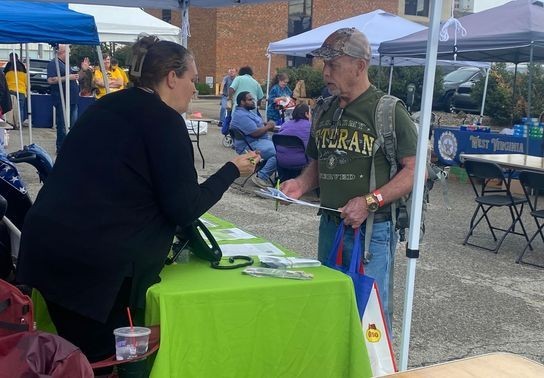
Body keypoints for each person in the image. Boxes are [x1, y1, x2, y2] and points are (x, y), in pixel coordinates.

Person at [15, 35, 260, 373]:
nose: (194, 89)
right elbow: (184, 207)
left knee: (75, 356)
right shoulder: (164, 121)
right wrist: (232, 169)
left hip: (47, 251)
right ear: (172, 77)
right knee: (105, 363)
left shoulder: (108, 104)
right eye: (192, 78)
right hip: (93, 271)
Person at [280, 28, 418, 332]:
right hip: (330, 225)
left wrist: (370, 201)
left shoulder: (388, 110)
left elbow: (414, 170)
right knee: (331, 309)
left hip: (372, 231)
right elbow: (317, 162)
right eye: (324, 66)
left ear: (360, 65)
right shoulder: (324, 109)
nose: (326, 73)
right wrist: (300, 184)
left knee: (369, 318)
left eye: (334, 66)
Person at [230, 91, 276, 188]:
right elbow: (255, 133)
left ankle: (278, 176)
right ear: (242, 102)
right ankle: (261, 176)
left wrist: (267, 125)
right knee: (279, 152)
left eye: (253, 99)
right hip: (250, 146)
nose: (253, 101)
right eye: (250, 100)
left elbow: (258, 125)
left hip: (258, 141)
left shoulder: (248, 112)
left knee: (283, 145)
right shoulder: (241, 116)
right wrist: (268, 126)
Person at [47, 44, 79, 153]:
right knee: (62, 125)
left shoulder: (66, 65)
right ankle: (61, 148)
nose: (69, 55)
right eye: (68, 52)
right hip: (62, 99)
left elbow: (76, 77)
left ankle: (69, 147)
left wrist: (82, 71)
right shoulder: (53, 63)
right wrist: (68, 77)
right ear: (62, 53)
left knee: (72, 125)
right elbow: (51, 80)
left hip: (72, 99)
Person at [275, 102, 311, 180]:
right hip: (301, 162)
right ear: (306, 114)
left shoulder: (285, 124)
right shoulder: (310, 126)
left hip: (281, 161)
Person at [3, 53, 28, 127]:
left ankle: (10, 122)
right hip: (21, 91)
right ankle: (19, 124)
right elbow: (27, 84)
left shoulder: (8, 73)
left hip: (10, 91)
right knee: (20, 108)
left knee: (11, 108)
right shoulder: (24, 74)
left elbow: (5, 82)